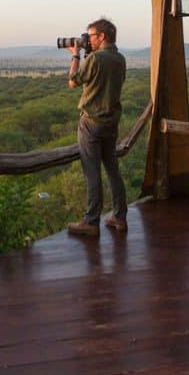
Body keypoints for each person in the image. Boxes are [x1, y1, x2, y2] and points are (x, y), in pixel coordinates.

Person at [65, 17, 127, 237]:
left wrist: (75, 55)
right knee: (112, 170)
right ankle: (119, 217)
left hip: (91, 122)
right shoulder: (120, 59)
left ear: (101, 36)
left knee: (92, 172)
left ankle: (91, 221)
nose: (88, 40)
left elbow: (73, 81)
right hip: (111, 122)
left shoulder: (95, 59)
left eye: (91, 36)